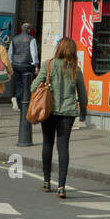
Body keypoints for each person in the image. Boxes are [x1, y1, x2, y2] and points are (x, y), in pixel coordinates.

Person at [30, 37, 87, 198]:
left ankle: (47, 182)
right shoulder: (75, 68)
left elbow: (33, 87)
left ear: (58, 49)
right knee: (63, 147)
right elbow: (82, 93)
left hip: (48, 111)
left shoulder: (48, 65)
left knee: (47, 143)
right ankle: (62, 186)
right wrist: (83, 111)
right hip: (68, 113)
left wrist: (43, 84)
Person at [9, 22, 40, 115]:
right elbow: (34, 53)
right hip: (26, 65)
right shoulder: (31, 39)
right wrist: (36, 65)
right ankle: (17, 98)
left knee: (19, 84)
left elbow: (10, 52)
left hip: (16, 64)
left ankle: (18, 103)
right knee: (26, 84)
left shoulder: (14, 39)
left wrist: (11, 64)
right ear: (29, 30)